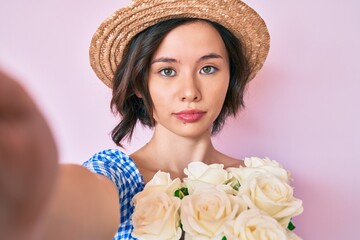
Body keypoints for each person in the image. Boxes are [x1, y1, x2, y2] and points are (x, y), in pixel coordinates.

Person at [0, 0, 270, 239]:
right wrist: (27, 190)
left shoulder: (261, 186)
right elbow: (69, 206)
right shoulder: (118, 177)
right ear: (139, 85)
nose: (190, 92)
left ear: (230, 77)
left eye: (208, 68)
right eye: (167, 71)